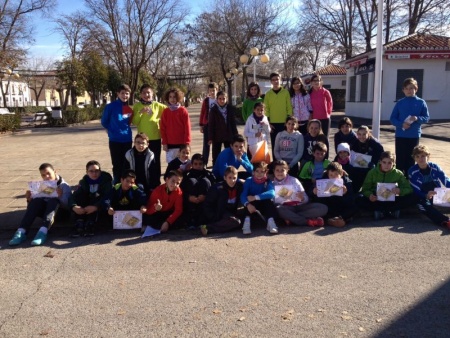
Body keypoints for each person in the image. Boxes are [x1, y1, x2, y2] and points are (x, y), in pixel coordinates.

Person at [9, 163, 71, 246]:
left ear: (55, 172)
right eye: (43, 175)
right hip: (46, 213)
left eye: (49, 173)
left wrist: (60, 197)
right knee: (36, 200)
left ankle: (43, 232)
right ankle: (21, 231)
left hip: (60, 214)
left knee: (53, 201)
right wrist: (29, 199)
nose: (47, 177)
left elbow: (68, 207)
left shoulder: (64, 186)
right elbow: (32, 208)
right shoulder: (42, 185)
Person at [358, 151, 416, 220]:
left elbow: (408, 188)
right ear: (380, 162)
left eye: (389, 163)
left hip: (391, 199)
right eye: (384, 162)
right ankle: (387, 211)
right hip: (376, 200)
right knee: (359, 198)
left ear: (393, 163)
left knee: (413, 197)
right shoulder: (372, 172)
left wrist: (400, 191)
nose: (386, 165)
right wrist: (370, 195)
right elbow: (365, 189)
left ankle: (385, 211)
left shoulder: (398, 173)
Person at [390, 78, 430, 174]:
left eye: (411, 88)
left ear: (416, 89)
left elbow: (426, 117)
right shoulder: (400, 103)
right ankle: (399, 180)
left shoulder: (421, 102)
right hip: (401, 135)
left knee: (411, 159)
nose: (409, 90)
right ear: (403, 90)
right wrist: (401, 124)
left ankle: (410, 180)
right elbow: (392, 118)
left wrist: (417, 118)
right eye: (407, 88)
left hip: (414, 135)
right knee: (400, 159)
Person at [272, 160, 327, 227]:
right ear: (273, 171)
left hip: (301, 206)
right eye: (277, 170)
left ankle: (292, 218)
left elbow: (306, 199)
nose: (280, 173)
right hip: (286, 208)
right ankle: (307, 221)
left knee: (323, 208)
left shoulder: (294, 180)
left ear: (287, 171)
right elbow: (273, 202)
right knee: (279, 209)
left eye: (282, 170)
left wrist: (302, 198)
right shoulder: (272, 184)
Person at [408, 145, 450, 228]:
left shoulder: (435, 167)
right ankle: (446, 221)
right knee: (424, 207)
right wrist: (426, 195)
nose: (421, 159)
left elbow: (445, 180)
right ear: (414, 158)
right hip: (422, 196)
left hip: (436, 195)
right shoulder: (412, 171)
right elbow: (415, 190)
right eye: (418, 156)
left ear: (428, 156)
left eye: (423, 156)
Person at [132, 84, 167, 179]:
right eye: (143, 93)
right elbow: (134, 122)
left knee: (155, 161)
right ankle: (143, 180)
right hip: (141, 140)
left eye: (148, 92)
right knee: (142, 161)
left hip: (155, 138)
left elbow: (169, 113)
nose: (146, 95)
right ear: (140, 94)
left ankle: (156, 181)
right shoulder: (137, 106)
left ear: (152, 94)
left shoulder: (158, 105)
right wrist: (140, 113)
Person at [69, 161, 113, 237]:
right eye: (91, 171)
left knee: (96, 195)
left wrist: (96, 207)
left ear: (100, 171)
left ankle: (90, 224)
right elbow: (73, 196)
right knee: (80, 195)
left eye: (96, 171)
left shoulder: (106, 181)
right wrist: (74, 206)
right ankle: (79, 223)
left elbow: (108, 196)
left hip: (100, 208)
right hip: (86, 207)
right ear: (87, 172)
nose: (94, 173)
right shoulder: (83, 182)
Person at [101, 84, 133, 183]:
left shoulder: (129, 108)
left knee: (126, 163)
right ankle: (117, 182)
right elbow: (104, 121)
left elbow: (128, 122)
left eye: (127, 93)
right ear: (118, 94)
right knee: (116, 163)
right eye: (122, 93)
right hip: (115, 140)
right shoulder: (110, 107)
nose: (125, 96)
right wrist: (110, 130)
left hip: (127, 139)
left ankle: (126, 182)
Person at [200, 166, 244, 235]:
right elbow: (207, 204)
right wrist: (213, 217)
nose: (232, 180)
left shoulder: (239, 186)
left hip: (231, 212)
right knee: (236, 222)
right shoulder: (217, 188)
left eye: (234, 178)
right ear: (224, 178)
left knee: (243, 221)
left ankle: (224, 225)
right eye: (230, 177)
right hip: (219, 213)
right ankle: (208, 228)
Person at [313, 162, 357, 227]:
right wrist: (314, 192)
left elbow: (350, 200)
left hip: (341, 206)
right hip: (329, 206)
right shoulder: (323, 181)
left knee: (354, 207)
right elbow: (311, 193)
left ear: (341, 174)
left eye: (336, 174)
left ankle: (339, 219)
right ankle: (334, 219)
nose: (333, 177)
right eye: (331, 175)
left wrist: (344, 194)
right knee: (319, 205)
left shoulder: (347, 182)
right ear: (328, 175)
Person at [240, 162, 278, 234]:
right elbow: (243, 195)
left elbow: (272, 193)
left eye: (262, 171)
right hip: (252, 204)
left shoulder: (267, 181)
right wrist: (247, 204)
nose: (259, 173)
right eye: (257, 171)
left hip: (262, 203)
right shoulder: (249, 180)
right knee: (248, 201)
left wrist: (255, 197)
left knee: (268, 202)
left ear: (265, 173)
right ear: (253, 172)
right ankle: (246, 223)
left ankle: (271, 222)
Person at [180, 153, 216, 227]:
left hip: (205, 203)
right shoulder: (186, 175)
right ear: (192, 164)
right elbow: (180, 191)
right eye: (195, 164)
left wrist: (206, 196)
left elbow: (215, 190)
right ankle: (191, 219)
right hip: (190, 203)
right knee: (192, 181)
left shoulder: (209, 175)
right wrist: (189, 198)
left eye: (200, 164)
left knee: (205, 181)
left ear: (204, 164)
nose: (198, 166)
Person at [264, 72, 293, 159]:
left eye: (277, 79)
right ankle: (276, 164)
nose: (275, 81)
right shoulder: (268, 94)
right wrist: (268, 123)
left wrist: (288, 122)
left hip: (284, 123)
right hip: (273, 124)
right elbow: (266, 109)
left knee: (285, 144)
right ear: (271, 82)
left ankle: (285, 163)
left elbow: (289, 107)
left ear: (280, 80)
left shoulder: (285, 92)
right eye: (273, 80)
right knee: (275, 145)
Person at [160, 87, 191, 164]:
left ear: (178, 98)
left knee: (182, 165)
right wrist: (164, 143)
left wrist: (186, 142)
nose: (172, 99)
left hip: (181, 143)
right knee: (171, 165)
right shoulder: (165, 112)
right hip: (170, 144)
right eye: (170, 97)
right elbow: (163, 128)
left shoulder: (183, 111)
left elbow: (187, 128)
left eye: (174, 97)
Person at [351, 125, 384, 193]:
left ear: (368, 134)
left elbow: (381, 156)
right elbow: (352, 154)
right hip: (359, 165)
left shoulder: (375, 144)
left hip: (371, 166)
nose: (361, 137)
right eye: (359, 134)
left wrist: (374, 162)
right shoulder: (355, 142)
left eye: (364, 134)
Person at [208, 91, 238, 165]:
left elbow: (233, 123)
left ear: (226, 99)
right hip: (217, 136)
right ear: (217, 99)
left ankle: (230, 170)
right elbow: (211, 124)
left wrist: (235, 135)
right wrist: (210, 137)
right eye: (220, 99)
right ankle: (215, 170)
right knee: (216, 154)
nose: (222, 100)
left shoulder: (230, 109)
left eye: (223, 99)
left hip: (228, 135)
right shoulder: (213, 110)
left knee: (230, 153)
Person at [199, 82, 218, 167]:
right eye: (210, 91)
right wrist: (201, 124)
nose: (212, 92)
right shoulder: (206, 101)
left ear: (217, 90)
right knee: (206, 145)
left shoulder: (219, 99)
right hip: (207, 124)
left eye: (214, 90)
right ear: (208, 91)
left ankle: (215, 163)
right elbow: (202, 112)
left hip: (217, 125)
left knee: (216, 146)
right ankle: (204, 162)